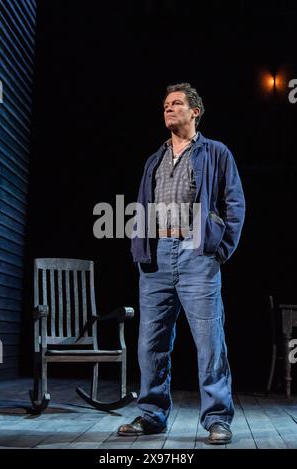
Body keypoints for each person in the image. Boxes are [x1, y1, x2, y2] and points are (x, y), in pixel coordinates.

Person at [117, 83, 245, 444]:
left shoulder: (216, 152)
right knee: (151, 342)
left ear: (195, 112)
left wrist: (219, 249)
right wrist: (140, 249)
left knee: (209, 342)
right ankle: (152, 414)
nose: (168, 110)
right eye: (165, 106)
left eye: (176, 104)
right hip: (156, 257)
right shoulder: (153, 159)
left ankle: (218, 418)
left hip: (197, 255)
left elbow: (234, 204)